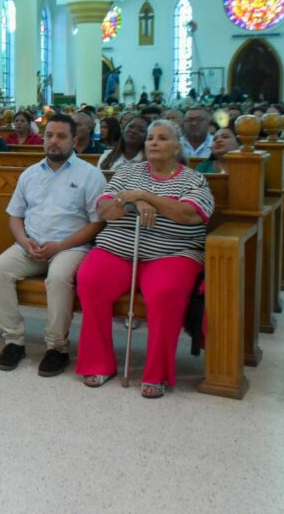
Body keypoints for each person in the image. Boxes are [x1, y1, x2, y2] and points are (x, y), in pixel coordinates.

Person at [76, 119, 215, 399]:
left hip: (172, 251)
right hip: (119, 247)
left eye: (162, 138)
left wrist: (145, 196)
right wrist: (134, 202)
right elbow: (105, 208)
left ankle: (156, 373)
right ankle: (99, 363)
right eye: (151, 138)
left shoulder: (193, 179)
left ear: (177, 147)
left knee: (165, 293)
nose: (153, 143)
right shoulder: (128, 172)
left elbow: (188, 214)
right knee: (90, 280)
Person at [0, 114, 106, 376]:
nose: (54, 141)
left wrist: (60, 245)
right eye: (49, 135)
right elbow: (15, 216)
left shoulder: (90, 175)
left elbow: (97, 223)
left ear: (74, 140)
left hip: (70, 247)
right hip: (31, 244)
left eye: (61, 136)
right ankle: (13, 341)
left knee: (58, 278)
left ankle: (56, 347)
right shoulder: (30, 174)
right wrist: (24, 241)